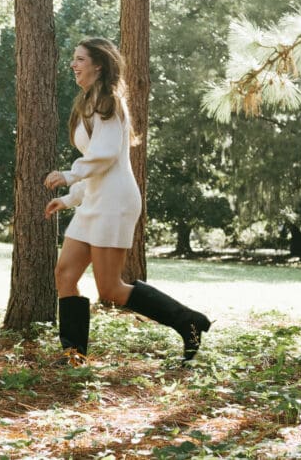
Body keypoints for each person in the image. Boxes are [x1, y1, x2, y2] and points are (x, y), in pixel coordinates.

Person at [44, 37, 211, 364]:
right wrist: (70, 198)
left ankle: (187, 321)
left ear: (98, 65)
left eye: (80, 59)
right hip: (94, 200)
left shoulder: (109, 103)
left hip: (115, 202)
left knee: (110, 289)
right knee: (65, 274)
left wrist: (69, 174)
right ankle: (73, 354)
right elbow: (96, 162)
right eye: (74, 59)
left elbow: (105, 156)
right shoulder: (86, 103)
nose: (73, 64)